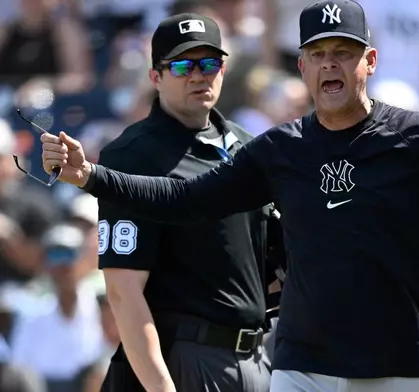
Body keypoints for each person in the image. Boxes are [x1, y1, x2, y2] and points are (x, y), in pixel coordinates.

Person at [40, 1, 419, 391]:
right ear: (300, 66)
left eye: (343, 52)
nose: (330, 65)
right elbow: (182, 201)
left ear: (369, 61)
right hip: (303, 367)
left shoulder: (416, 138)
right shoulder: (278, 149)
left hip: (396, 365)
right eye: (318, 54)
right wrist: (90, 176)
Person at [64, 13, 276, 392]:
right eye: (182, 65)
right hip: (185, 360)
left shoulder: (247, 148)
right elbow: (123, 291)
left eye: (210, 63)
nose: (198, 75)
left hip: (258, 358)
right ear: (155, 77)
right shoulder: (134, 156)